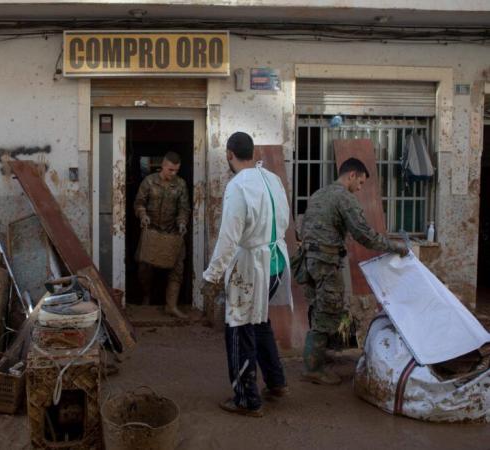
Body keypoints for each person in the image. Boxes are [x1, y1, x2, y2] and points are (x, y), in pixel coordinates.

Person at [201, 132, 292, 417]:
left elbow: (229, 237)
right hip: (276, 263)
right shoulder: (272, 179)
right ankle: (276, 383)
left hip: (252, 267)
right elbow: (285, 219)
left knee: (239, 328)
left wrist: (212, 275)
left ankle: (246, 399)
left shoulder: (238, 185)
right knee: (260, 320)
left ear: (229, 154)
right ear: (251, 153)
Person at [296, 157, 409, 385]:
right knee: (328, 311)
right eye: (360, 183)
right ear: (352, 175)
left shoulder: (319, 194)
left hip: (309, 261)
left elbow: (303, 228)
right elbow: (364, 235)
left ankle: (318, 357)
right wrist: (396, 247)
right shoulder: (344, 198)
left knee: (319, 307)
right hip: (326, 262)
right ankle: (313, 368)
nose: (359, 189)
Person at [134, 151, 191, 319]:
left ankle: (171, 305)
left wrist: (182, 222)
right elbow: (139, 203)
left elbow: (184, 208)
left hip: (172, 232)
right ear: (163, 166)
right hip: (151, 230)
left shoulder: (180, 185)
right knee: (144, 267)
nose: (173, 174)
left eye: (176, 170)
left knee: (177, 267)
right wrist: (142, 215)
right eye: (170, 170)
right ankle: (146, 297)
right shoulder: (149, 181)